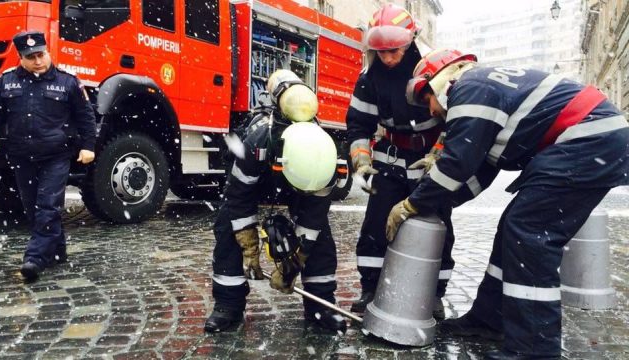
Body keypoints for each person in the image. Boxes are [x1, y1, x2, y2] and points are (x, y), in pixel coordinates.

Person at [389, 48, 629, 359]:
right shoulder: (483, 87)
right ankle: (491, 319)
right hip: (591, 140)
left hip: (587, 140)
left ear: (437, 81)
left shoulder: (468, 88)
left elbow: (457, 164)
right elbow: (482, 171)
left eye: (427, 100)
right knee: (513, 227)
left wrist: (411, 204)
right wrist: (442, 202)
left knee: (530, 234)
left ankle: (534, 349)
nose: (432, 111)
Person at [204, 69, 347, 334]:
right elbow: (239, 197)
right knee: (227, 228)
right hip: (259, 179)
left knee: (321, 240)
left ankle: (322, 306)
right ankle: (228, 306)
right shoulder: (257, 143)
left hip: (299, 185)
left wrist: (294, 263)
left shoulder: (324, 156)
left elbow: (312, 220)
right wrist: (249, 245)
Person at [345, 3, 454, 318]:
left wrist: (439, 153)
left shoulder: (432, 69)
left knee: (439, 227)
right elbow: (359, 124)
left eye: (394, 51)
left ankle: (435, 294)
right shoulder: (368, 78)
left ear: (409, 42)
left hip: (430, 157)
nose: (388, 58)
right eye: (381, 52)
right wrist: (362, 162)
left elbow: (452, 120)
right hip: (390, 158)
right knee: (375, 227)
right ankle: (371, 287)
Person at [0, 30, 97, 281]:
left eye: (41, 54)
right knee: (31, 208)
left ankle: (35, 258)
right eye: (31, 57)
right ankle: (57, 251)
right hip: (20, 155)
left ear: (47, 51)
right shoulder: (7, 81)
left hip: (55, 155)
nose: (38, 60)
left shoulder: (67, 82)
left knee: (47, 206)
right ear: (20, 58)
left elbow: (85, 116)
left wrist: (88, 146)